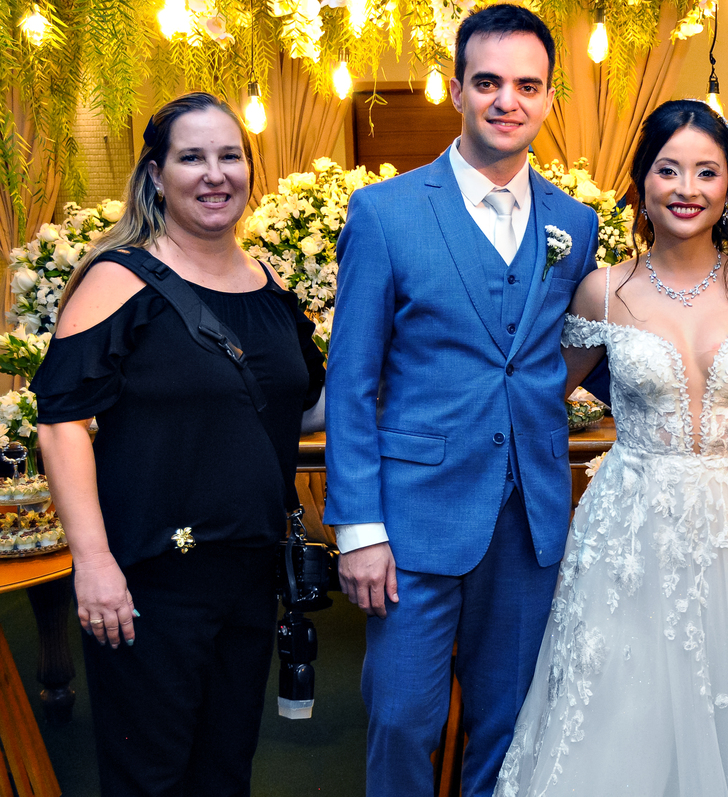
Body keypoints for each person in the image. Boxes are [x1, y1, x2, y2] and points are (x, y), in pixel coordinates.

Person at [493, 99, 728, 796]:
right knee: (627, 705)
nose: (687, 188)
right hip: (631, 530)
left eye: (707, 172)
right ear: (642, 183)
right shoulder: (603, 291)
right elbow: (535, 396)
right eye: (669, 169)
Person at [322, 5, 600, 795]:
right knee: (402, 718)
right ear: (456, 90)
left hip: (530, 518)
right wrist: (358, 529)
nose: (507, 100)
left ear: (548, 98)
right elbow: (351, 382)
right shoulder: (385, 212)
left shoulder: (575, 224)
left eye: (527, 85)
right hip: (413, 521)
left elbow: (570, 351)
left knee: (509, 724)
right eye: (488, 82)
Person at [33, 91, 326, 796]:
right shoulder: (118, 279)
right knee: (150, 778)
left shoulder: (268, 282)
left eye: (230, 156)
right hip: (150, 579)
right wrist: (92, 562)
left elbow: (303, 409)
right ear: (156, 176)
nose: (214, 174)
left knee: (225, 771)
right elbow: (60, 421)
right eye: (192, 157)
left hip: (249, 570)